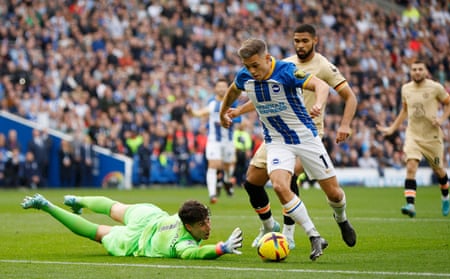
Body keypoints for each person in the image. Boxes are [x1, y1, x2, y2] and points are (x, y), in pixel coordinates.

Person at [220, 38, 354, 261]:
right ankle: (314, 235)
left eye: (255, 65)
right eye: (247, 67)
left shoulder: (287, 71)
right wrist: (223, 111)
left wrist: (319, 103)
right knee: (280, 186)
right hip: (276, 141)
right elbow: (233, 91)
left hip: (306, 139)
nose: (252, 71)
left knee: (334, 193)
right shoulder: (245, 76)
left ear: (267, 58)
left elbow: (321, 86)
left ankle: (341, 219)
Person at [21, 193, 243, 259]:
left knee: (114, 207)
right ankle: (47, 205)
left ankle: (77, 200)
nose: (208, 227)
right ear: (188, 225)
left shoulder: (187, 213)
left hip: (150, 217)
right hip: (136, 240)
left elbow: (196, 207)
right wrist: (220, 248)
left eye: (208, 220)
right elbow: (197, 254)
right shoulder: (182, 243)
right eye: (202, 224)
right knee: (95, 231)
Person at [376, 60, 450, 217]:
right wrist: (392, 128)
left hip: (432, 137)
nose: (417, 72)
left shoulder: (435, 87)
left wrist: (441, 119)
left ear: (426, 71)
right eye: (414, 69)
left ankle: (446, 196)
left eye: (420, 69)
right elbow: (404, 111)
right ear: (410, 72)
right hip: (413, 135)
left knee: (439, 171)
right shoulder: (406, 89)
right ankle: (410, 205)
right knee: (411, 167)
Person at [186, 78, 236, 203]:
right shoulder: (212, 104)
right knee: (213, 165)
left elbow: (239, 118)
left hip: (228, 140)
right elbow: (200, 113)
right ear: (215, 89)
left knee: (229, 166)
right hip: (214, 140)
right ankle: (212, 194)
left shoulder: (232, 103)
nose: (221, 89)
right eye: (219, 87)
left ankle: (226, 181)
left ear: (227, 88)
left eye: (224, 87)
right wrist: (192, 111)